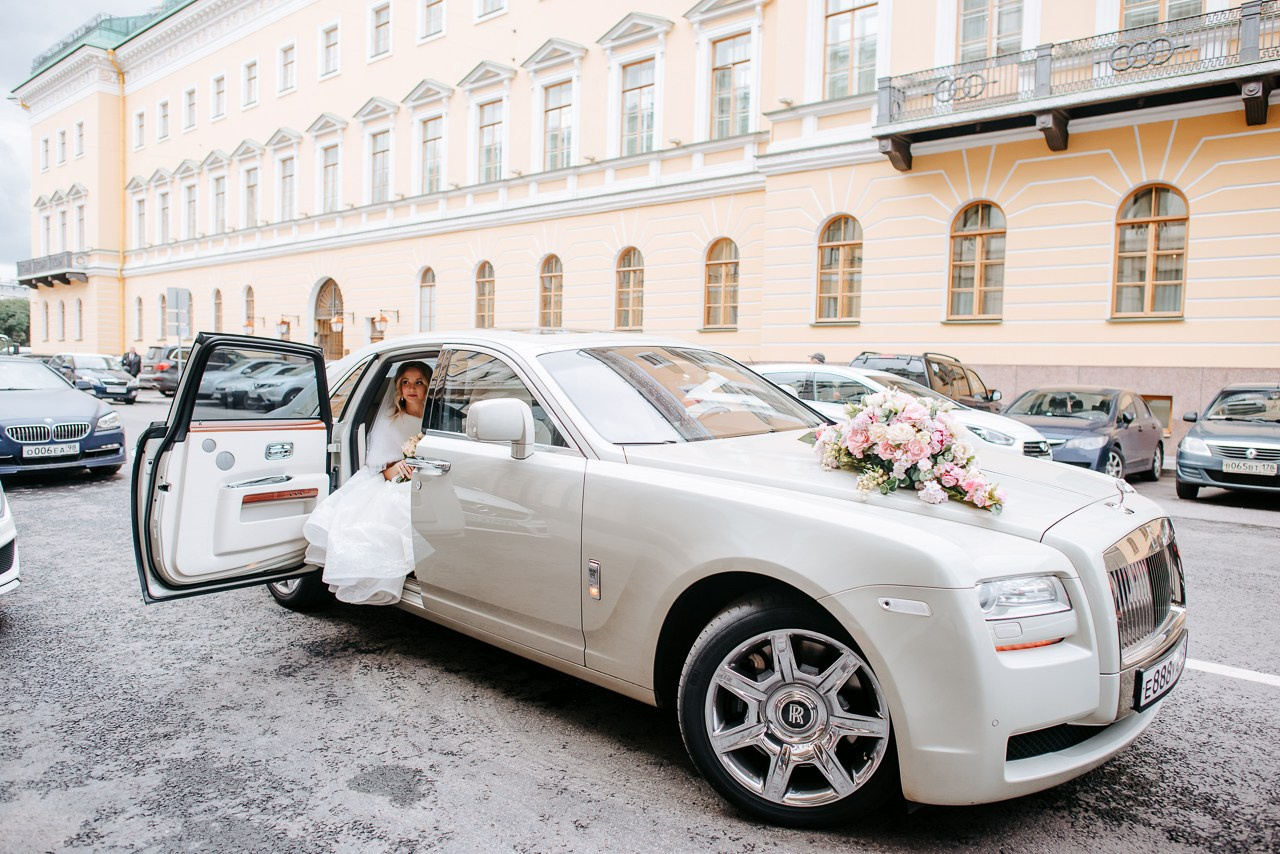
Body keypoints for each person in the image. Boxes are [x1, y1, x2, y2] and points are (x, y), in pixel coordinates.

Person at [302, 361, 433, 605]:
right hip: (394, 478)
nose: (411, 388)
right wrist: (398, 468)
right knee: (400, 504)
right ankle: (415, 565)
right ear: (398, 388)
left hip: (429, 474)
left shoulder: (434, 418)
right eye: (405, 382)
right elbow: (379, 468)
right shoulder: (391, 419)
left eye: (418, 383)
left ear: (427, 387)